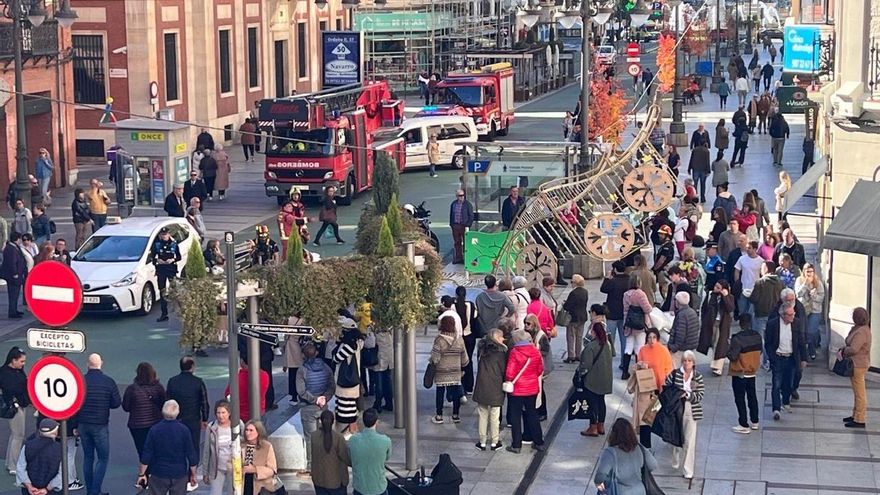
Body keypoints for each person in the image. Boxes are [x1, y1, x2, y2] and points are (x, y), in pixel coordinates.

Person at [80, 353, 121, 495]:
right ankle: (95, 491)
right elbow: (116, 403)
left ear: (87, 364)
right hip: (100, 423)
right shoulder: (108, 381)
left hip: (83, 423)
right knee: (102, 458)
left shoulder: (81, 381)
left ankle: (90, 490)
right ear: (101, 363)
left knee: (88, 457)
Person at [135, 400, 198, 494]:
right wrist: (193, 474)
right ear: (178, 412)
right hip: (179, 473)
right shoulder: (184, 430)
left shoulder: (154, 430)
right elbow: (191, 454)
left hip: (159, 473)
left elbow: (147, 454)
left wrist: (142, 474)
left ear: (163, 412)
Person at [165, 355, 210, 478]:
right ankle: (192, 473)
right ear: (192, 367)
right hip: (193, 419)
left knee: (176, 445)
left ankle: (178, 471)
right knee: (193, 446)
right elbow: (204, 402)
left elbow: (168, 400)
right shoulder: (198, 382)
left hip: (176, 419)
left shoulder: (172, 381)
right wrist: (204, 418)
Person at [665, 350, 705, 480]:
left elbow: (700, 395)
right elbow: (666, 387)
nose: (687, 363)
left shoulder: (697, 376)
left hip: (691, 409)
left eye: (689, 361)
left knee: (689, 441)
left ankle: (688, 469)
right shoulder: (675, 374)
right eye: (685, 361)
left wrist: (687, 395)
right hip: (676, 408)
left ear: (693, 363)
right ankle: (676, 456)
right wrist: (676, 395)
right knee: (677, 437)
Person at [297, 343, 335, 476]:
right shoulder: (326, 367)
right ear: (316, 353)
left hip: (308, 408)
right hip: (324, 407)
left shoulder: (302, 370)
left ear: (303, 355)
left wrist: (315, 399)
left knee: (310, 438)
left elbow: (301, 391)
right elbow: (331, 386)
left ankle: (312, 466)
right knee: (326, 435)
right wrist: (324, 398)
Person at [504, 330, 545, 454]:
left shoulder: (515, 352)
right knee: (532, 413)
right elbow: (540, 369)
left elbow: (510, 373)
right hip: (532, 388)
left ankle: (516, 445)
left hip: (518, 389)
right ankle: (539, 442)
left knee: (516, 416)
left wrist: (509, 380)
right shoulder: (535, 351)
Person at [631, 328, 673, 448]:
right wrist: (641, 366)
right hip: (646, 388)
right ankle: (646, 445)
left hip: (659, 389)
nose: (651, 340)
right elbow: (638, 365)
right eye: (649, 337)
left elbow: (668, 369)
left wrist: (664, 385)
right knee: (645, 417)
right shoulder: (643, 350)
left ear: (658, 339)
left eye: (654, 337)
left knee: (657, 416)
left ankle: (667, 436)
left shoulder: (663, 351)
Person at [765, 303, 807, 421]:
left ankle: (785, 401)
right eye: (790, 315)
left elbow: (801, 342)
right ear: (782, 315)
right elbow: (768, 343)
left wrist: (804, 358)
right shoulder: (772, 324)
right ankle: (776, 409)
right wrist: (772, 357)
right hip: (778, 357)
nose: (793, 316)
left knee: (789, 382)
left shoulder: (797, 323)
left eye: (793, 314)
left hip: (791, 358)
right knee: (776, 384)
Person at [594, 418, 658, 494]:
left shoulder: (610, 452)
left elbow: (600, 475)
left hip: (620, 491)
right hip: (640, 490)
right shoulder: (640, 448)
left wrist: (598, 483)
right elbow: (653, 465)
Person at [123, 362, 166, 474]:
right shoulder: (158, 388)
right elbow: (164, 405)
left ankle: (145, 474)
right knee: (155, 448)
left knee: (142, 449)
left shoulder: (132, 389)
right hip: (155, 423)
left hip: (137, 424)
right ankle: (155, 472)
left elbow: (126, 407)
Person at [727, 314, 763, 434]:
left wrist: (728, 348)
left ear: (740, 323)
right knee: (752, 396)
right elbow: (761, 351)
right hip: (752, 371)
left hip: (739, 372)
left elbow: (733, 356)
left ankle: (743, 423)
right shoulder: (757, 336)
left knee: (740, 398)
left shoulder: (737, 338)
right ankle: (755, 421)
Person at [473, 329, 507, 451]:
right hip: (496, 386)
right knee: (494, 416)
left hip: (482, 384)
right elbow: (504, 371)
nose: (503, 339)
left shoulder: (482, 351)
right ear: (497, 338)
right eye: (502, 337)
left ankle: (482, 442)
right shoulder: (501, 353)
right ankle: (494, 441)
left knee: (482, 415)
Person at [430, 316, 468, 424]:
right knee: (456, 393)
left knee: (440, 393)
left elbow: (435, 358)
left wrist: (432, 360)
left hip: (441, 371)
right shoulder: (459, 339)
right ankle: (455, 415)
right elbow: (465, 359)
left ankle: (439, 416)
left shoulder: (439, 340)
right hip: (455, 371)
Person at [577, 322, 613, 437]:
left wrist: (580, 374)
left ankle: (593, 427)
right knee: (601, 401)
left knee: (592, 403)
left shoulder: (591, 347)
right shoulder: (607, 344)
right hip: (605, 378)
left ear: (594, 333)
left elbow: (585, 365)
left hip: (593, 379)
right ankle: (601, 425)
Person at [348, 408, 391, 495]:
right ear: (376, 422)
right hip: (378, 487)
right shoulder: (385, 440)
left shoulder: (353, 440)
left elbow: (350, 459)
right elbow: (387, 457)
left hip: (360, 487)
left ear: (363, 422)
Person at [841, 308, 871, 429]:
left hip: (858, 364)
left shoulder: (862, 331)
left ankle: (860, 418)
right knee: (857, 392)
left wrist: (844, 350)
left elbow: (854, 349)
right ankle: (855, 414)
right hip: (857, 364)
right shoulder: (860, 328)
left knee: (860, 393)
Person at [0, 347, 29, 475]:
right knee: (18, 435)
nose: (23, 364)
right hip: (15, 406)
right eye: (22, 361)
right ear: (14, 360)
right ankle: (14, 465)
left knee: (15, 435)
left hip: (18, 405)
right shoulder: (8, 374)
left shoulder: (10, 371)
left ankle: (9, 463)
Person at [15, 418, 63, 494]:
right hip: (51, 491)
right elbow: (61, 474)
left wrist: (29, 486)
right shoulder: (61, 449)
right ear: (55, 432)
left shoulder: (28, 445)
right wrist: (46, 489)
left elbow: (20, 467)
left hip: (29, 491)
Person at [202, 400, 239, 495]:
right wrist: (205, 472)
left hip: (233, 467)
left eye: (223, 412)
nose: (220, 415)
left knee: (233, 492)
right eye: (218, 413)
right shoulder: (211, 428)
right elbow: (206, 451)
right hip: (217, 467)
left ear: (229, 413)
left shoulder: (237, 425)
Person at [621, 274, 653, 380]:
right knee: (639, 347)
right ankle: (638, 371)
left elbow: (625, 309)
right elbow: (647, 309)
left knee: (628, 346)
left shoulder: (626, 294)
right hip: (640, 324)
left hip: (629, 323)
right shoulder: (641, 294)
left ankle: (625, 371)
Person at [311, 410, 351, 494]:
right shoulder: (339, 438)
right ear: (333, 421)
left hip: (319, 480)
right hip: (336, 481)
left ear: (321, 421)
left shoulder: (314, 436)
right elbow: (345, 457)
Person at [333, 324, 363, 430]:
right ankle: (352, 430)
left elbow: (336, 358)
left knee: (346, 414)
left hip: (345, 384)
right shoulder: (358, 344)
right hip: (354, 381)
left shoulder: (347, 346)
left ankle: (348, 433)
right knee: (352, 409)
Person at [148, 227, 181, 322]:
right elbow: (152, 258)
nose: (164, 236)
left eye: (166, 234)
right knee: (162, 292)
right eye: (162, 235)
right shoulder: (157, 245)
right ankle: (164, 314)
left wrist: (173, 260)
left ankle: (180, 312)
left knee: (175, 291)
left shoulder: (174, 244)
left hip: (171, 269)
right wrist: (158, 260)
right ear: (160, 236)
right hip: (161, 270)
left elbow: (179, 257)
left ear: (169, 234)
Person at [241, 420, 280, 495]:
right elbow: (229, 463)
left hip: (260, 486)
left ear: (258, 432)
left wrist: (255, 469)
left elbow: (272, 470)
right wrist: (240, 469)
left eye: (251, 430)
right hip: (243, 483)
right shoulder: (240, 445)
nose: (248, 433)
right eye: (246, 430)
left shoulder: (266, 446)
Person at [795, 263, 825, 360]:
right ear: (803, 272)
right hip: (803, 309)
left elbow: (821, 298)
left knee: (811, 331)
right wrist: (805, 285)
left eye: (811, 271)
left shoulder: (818, 282)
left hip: (815, 310)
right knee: (802, 331)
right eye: (807, 271)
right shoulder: (799, 280)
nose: (809, 274)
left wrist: (814, 295)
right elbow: (798, 294)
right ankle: (803, 352)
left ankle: (812, 349)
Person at [225, 358, 269, 423]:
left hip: (240, 416)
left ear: (242, 361)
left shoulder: (237, 377)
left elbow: (227, 395)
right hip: (259, 413)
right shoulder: (264, 375)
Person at [601, 261, 630, 358]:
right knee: (624, 339)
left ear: (615, 270)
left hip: (612, 313)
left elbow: (603, 289)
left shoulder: (613, 281)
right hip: (624, 313)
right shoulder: (629, 280)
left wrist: (606, 278)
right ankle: (623, 361)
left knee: (610, 339)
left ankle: (609, 359)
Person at [668, 292, 701, 366]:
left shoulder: (681, 315)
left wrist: (673, 347)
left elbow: (680, 335)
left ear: (678, 302)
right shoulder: (692, 312)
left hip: (682, 348)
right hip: (691, 346)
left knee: (676, 369)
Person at [563, 274, 589, 362]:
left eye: (572, 282)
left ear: (575, 283)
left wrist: (564, 304)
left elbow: (567, 306)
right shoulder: (585, 291)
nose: (571, 284)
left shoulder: (573, 293)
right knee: (579, 336)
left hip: (573, 317)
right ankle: (578, 354)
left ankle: (571, 356)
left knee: (570, 336)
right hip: (583, 317)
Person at [734, 241, 764, 316]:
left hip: (755, 289)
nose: (747, 249)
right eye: (746, 248)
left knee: (751, 312)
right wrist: (737, 282)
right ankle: (743, 326)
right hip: (743, 288)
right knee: (742, 311)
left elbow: (763, 274)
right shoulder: (742, 259)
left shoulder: (761, 261)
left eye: (749, 248)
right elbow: (737, 270)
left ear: (755, 249)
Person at [0, 233, 26, 319]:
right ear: (17, 239)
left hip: (16, 275)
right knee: (13, 294)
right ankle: (12, 311)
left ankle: (14, 309)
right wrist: (15, 273)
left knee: (16, 294)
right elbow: (12, 263)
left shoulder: (14, 247)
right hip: (13, 276)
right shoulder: (11, 249)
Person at [449, 189, 474, 264]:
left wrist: (468, 225)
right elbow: (451, 215)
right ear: (456, 196)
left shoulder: (467, 204)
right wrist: (452, 224)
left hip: (464, 226)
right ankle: (458, 257)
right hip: (455, 225)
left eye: (463, 195)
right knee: (457, 242)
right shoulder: (453, 204)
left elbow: (471, 215)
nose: (462, 197)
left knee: (466, 242)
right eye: (460, 196)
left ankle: (466, 257)